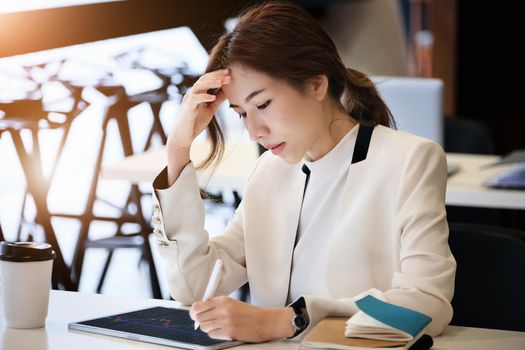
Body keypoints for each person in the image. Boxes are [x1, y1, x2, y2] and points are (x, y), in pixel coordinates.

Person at [151, 1, 456, 343]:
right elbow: (193, 287)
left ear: (315, 84)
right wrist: (178, 149)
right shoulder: (270, 172)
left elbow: (427, 305)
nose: (254, 132)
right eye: (241, 114)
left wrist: (286, 321)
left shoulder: (410, 160)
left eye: (263, 104)